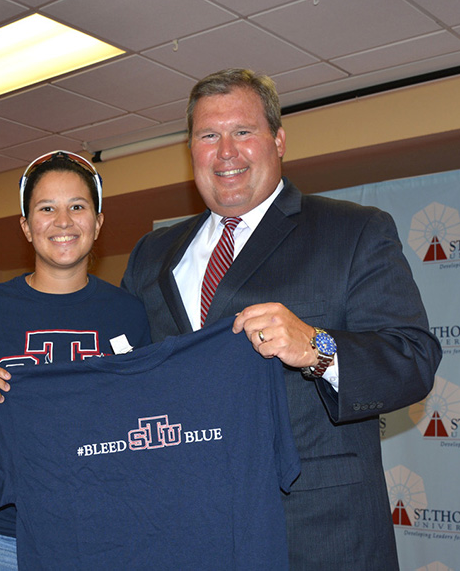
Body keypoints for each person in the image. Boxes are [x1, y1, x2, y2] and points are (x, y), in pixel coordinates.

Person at [122, 68, 442, 569]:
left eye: (243, 132)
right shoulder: (152, 253)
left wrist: (319, 347)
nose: (225, 151)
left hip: (320, 532)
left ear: (278, 140)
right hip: (190, 529)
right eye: (209, 135)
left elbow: (414, 359)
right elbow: (129, 376)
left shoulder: (353, 231)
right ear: (191, 151)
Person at [0, 150, 152, 569]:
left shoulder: (129, 313)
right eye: (46, 208)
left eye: (77, 207)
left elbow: (146, 424)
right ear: (27, 227)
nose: (63, 221)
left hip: (102, 534)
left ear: (98, 223)